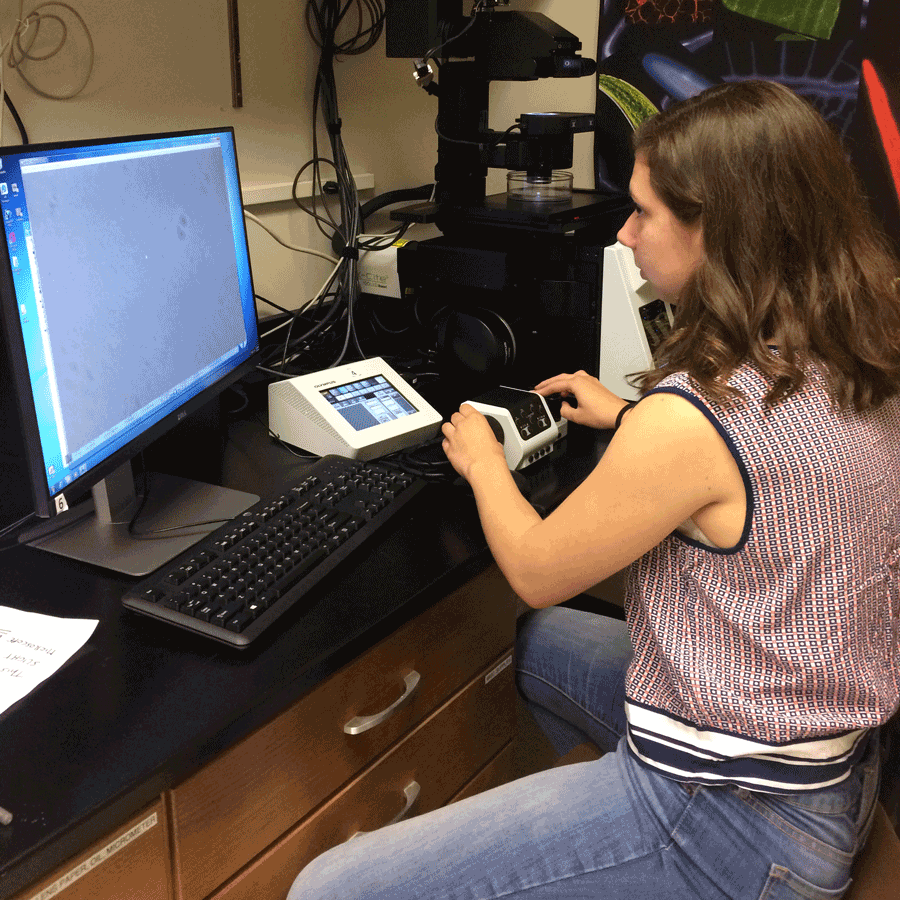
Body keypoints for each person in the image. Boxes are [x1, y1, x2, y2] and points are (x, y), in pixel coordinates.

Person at [288, 80, 900, 899]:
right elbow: (765, 470)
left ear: (720, 232)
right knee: (539, 647)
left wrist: (482, 460)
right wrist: (628, 418)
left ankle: (645, 852)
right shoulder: (856, 350)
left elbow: (539, 568)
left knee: (329, 890)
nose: (625, 231)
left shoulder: (692, 421)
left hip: (739, 828)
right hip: (833, 770)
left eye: (644, 212)